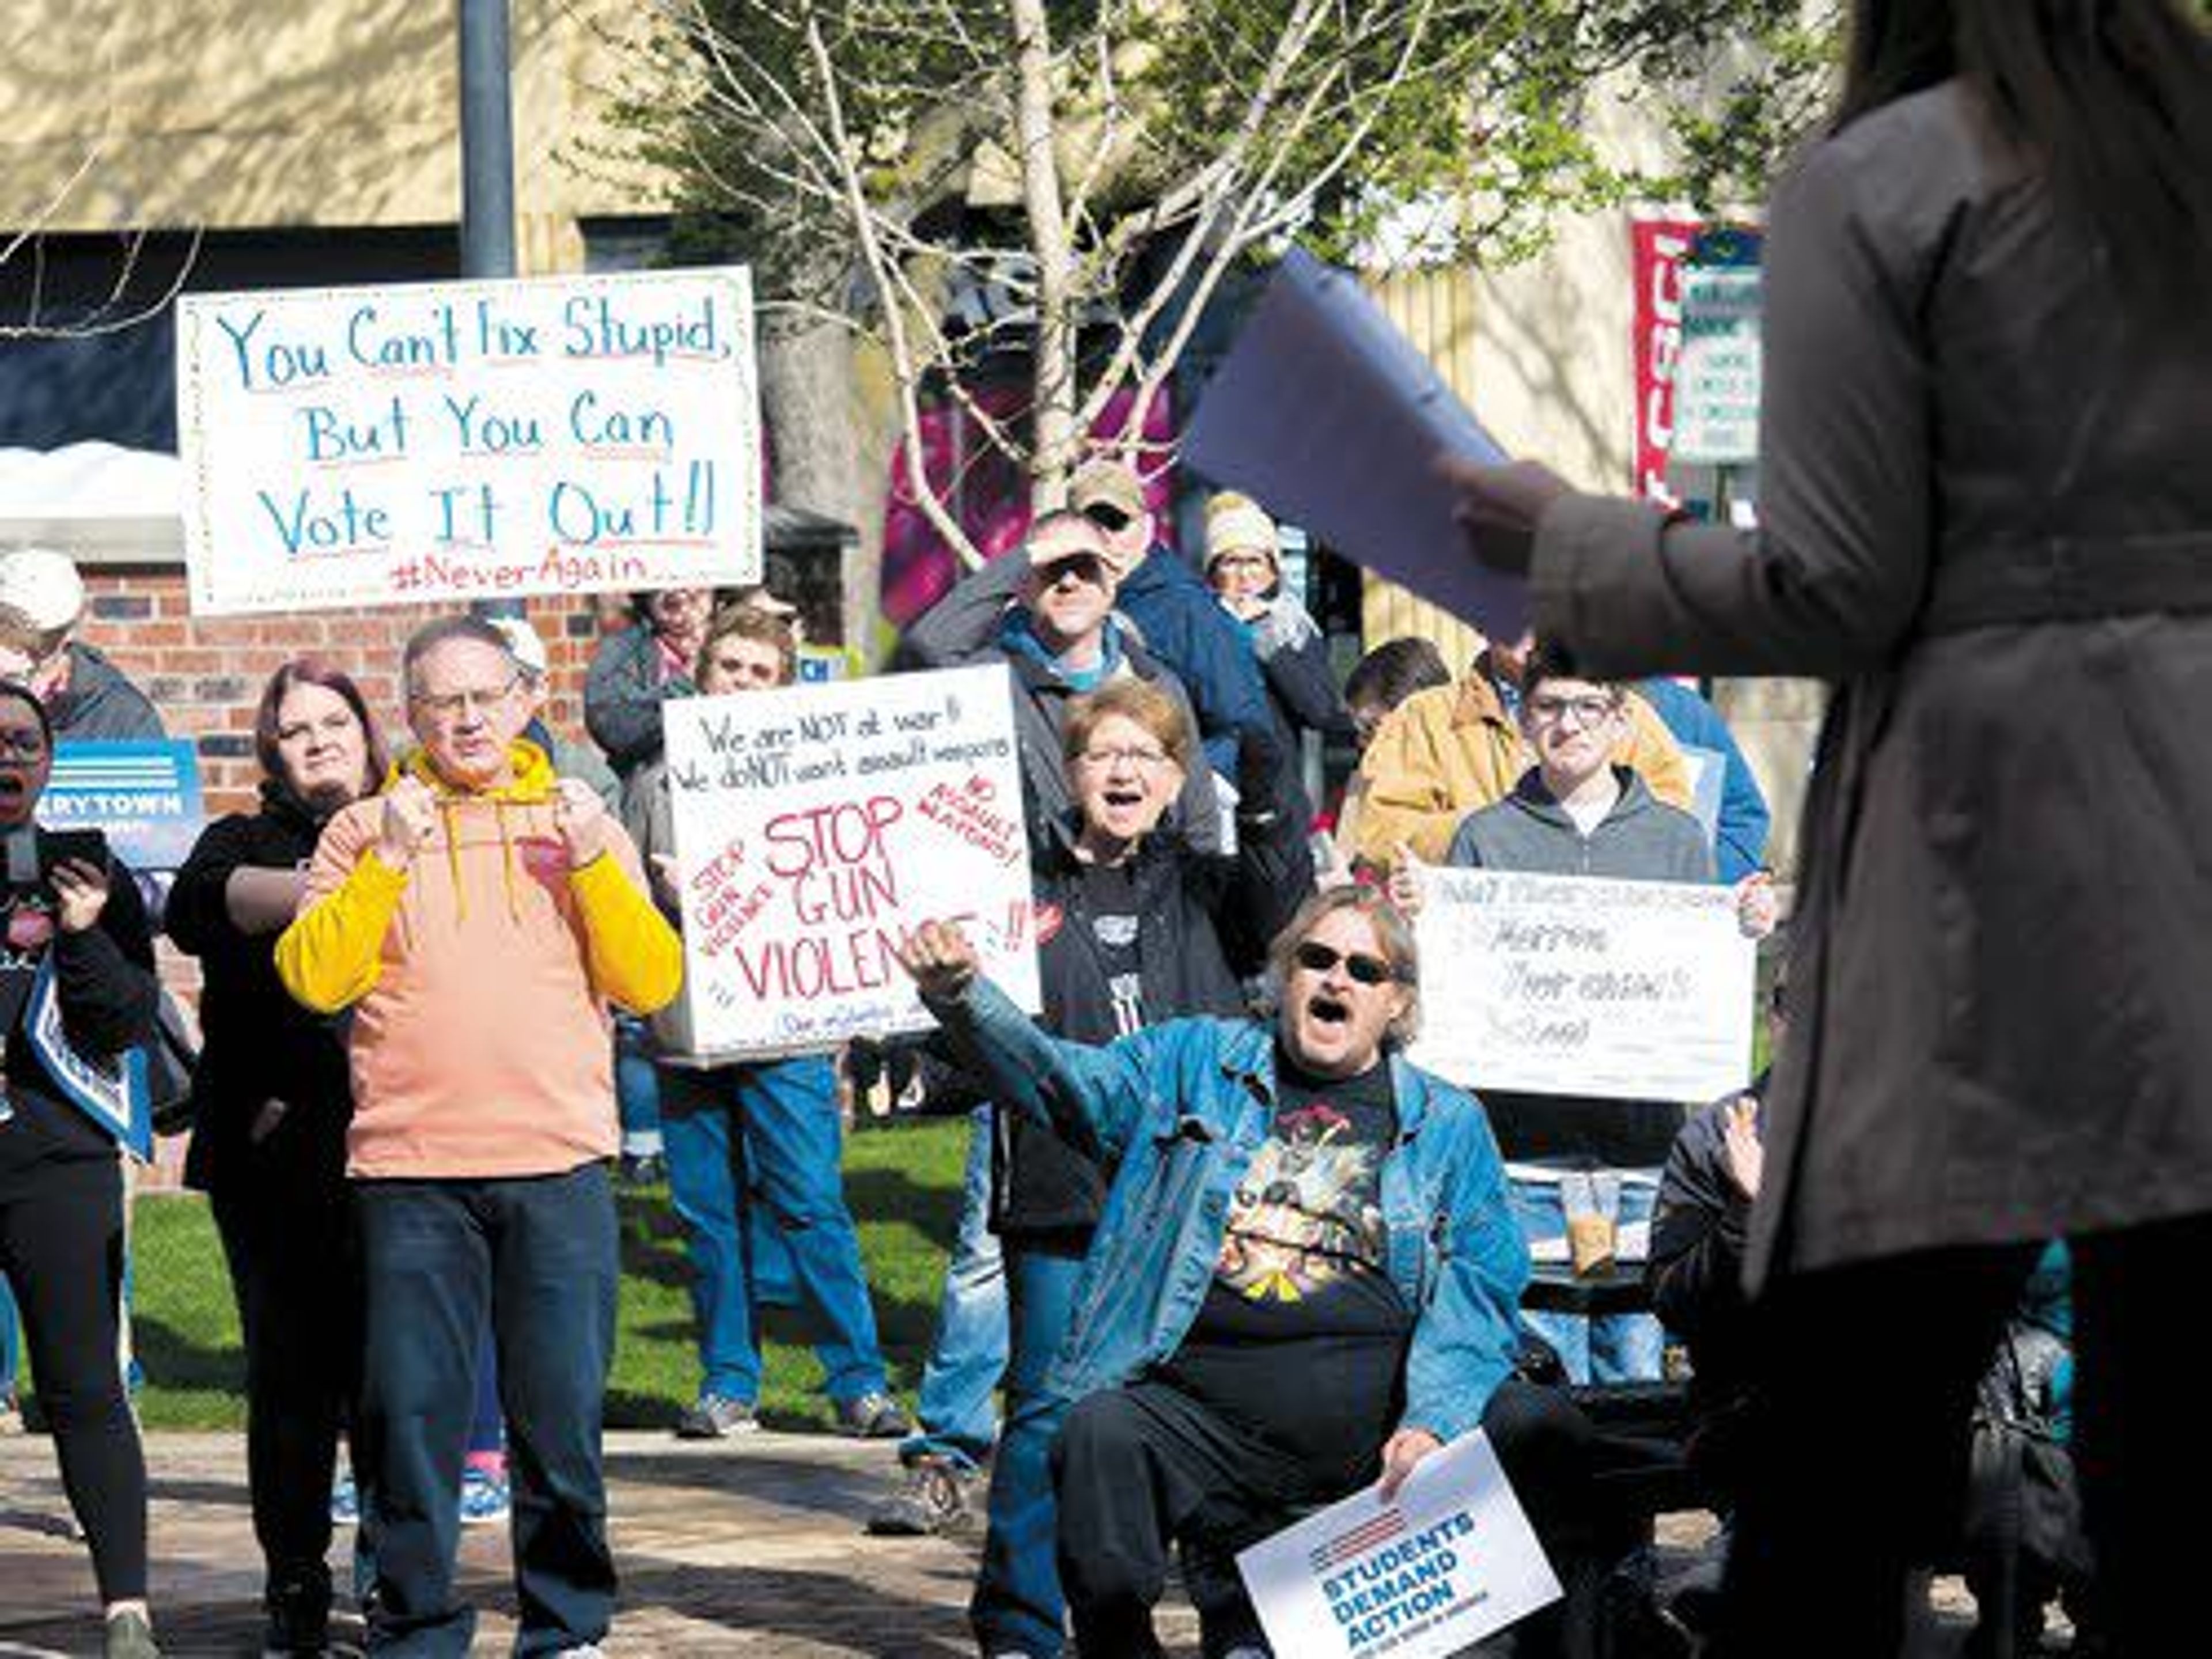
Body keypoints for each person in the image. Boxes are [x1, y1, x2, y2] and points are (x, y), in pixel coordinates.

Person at [1444, 3, 2212, 1651]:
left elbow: (1841, 577)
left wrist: (1569, 543)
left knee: (1857, 1393)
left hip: (1997, 835)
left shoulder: (1896, 179)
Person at [896, 888, 1605, 1659]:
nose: (1338, 979)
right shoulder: (1191, 1064)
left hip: (1381, 1424)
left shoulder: (1444, 1122)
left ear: (1396, 1002)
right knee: (1098, 1429)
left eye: (1365, 969)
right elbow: (1066, 1083)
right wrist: (963, 999)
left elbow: (1480, 1280)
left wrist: (1432, 1419)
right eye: (1318, 959)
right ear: (1283, 975)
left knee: (1543, 1428)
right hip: (1204, 1421)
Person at [275, 615, 683, 1656]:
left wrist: (594, 861)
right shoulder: (361, 830)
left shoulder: (578, 816)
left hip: (557, 1163)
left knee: (559, 1427)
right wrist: (388, 859)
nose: (466, 719)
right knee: (409, 1427)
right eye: (442, 701)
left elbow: (651, 982)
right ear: (410, 716)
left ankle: (567, 1627)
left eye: (484, 697)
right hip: (411, 1175)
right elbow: (315, 978)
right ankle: (416, 1629)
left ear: (523, 703)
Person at [956, 680, 1313, 1657]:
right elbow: (969, 1039)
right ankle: (1023, 1630)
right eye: (1103, 753)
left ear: (1176, 779)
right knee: (1046, 1417)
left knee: (1219, 1414)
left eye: (1146, 757)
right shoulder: (1013, 886)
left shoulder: (1204, 884)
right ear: (1070, 773)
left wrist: (1265, 735)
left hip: (1197, 1198)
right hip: (1061, 1195)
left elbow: (1283, 877)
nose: (1123, 772)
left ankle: (1236, 1623)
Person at [1391, 646, 1774, 1384]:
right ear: (1523, 719)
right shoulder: (1483, 835)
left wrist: (1746, 919)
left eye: (1589, 706)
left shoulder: (1676, 837)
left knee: (1634, 1366)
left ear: (1623, 720)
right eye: (1550, 707)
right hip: (1521, 1152)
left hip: (1641, 1151)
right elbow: (1449, 983)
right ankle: (1552, 1504)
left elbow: (1703, 958)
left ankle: (1626, 1506)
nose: (1570, 724)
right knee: (1542, 1368)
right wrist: (1422, 919)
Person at [627, 603, 910, 1442]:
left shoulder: (812, 772)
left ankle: (857, 1382)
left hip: (786, 1026)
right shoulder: (656, 782)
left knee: (811, 1204)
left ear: (781, 686)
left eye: (759, 672)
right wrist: (666, 900)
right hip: (687, 1030)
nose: (741, 684)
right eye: (729, 668)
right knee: (708, 1214)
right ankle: (729, 1384)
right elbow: (623, 905)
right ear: (701, 673)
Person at [167, 660, 387, 1655]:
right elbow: (196, 908)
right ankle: (295, 1585)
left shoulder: (422, 825)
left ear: (368, 732)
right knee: (294, 1380)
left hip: (404, 1153)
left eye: (334, 721)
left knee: (397, 1379)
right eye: (296, 730)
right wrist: (336, 887)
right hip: (273, 1157)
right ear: (273, 753)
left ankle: (397, 1579)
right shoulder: (240, 841)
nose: (318, 741)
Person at [0, 680, 161, 1658]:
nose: (5, 759)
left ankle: (127, 1611)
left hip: (57, 1157)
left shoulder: (85, 866)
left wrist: (86, 930)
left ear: (49, 762)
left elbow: (122, 1026)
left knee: (81, 1384)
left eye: (23, 742)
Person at [897, 508, 1223, 850]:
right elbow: (924, 652)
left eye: (1084, 566)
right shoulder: (990, 681)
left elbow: (1198, 819)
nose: (1068, 582)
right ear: (1022, 587)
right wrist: (1025, 557)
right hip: (1036, 894)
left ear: (1112, 581)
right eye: (1051, 569)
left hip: (1138, 895)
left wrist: (1195, 899)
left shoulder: (1156, 684)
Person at [1349, 629, 1690, 868]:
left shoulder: (1627, 716)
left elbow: (1674, 827)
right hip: (1472, 941)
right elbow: (1380, 835)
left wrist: (1585, 834)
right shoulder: (1424, 717)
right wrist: (1490, 832)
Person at [1067, 460, 1283, 795]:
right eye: (1091, 523)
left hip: (1163, 820)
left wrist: (1176, 792)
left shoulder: (1187, 609)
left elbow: (1243, 728)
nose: (1105, 536)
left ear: (1146, 526)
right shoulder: (1056, 603)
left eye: (1117, 521)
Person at [1201, 490, 1352, 772]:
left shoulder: (1292, 625)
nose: (1244, 575)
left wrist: (1266, 637)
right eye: (1231, 562)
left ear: (1273, 570)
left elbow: (1320, 711)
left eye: (1255, 561)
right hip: (1214, 784)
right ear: (1212, 572)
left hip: (1280, 788)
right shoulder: (1194, 625)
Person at [0, 549, 164, 740]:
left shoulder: (122, 714)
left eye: (43, 638)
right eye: (10, 628)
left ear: (70, 630)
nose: (24, 653)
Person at [1633, 676, 1771, 885]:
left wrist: (1707, 882)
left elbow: (1743, 817)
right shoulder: (1569, 710)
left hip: (1678, 901)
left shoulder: (1684, 711)